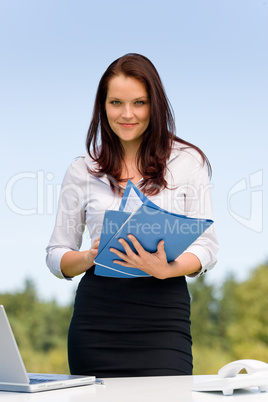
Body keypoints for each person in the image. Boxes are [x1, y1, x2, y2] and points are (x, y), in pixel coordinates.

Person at [46, 53, 219, 378]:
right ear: (103, 106)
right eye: (116, 103)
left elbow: (207, 247)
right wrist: (88, 257)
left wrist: (169, 268)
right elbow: (56, 255)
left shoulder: (186, 162)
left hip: (163, 315)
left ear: (154, 105)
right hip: (97, 318)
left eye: (139, 103)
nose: (127, 114)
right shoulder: (81, 170)